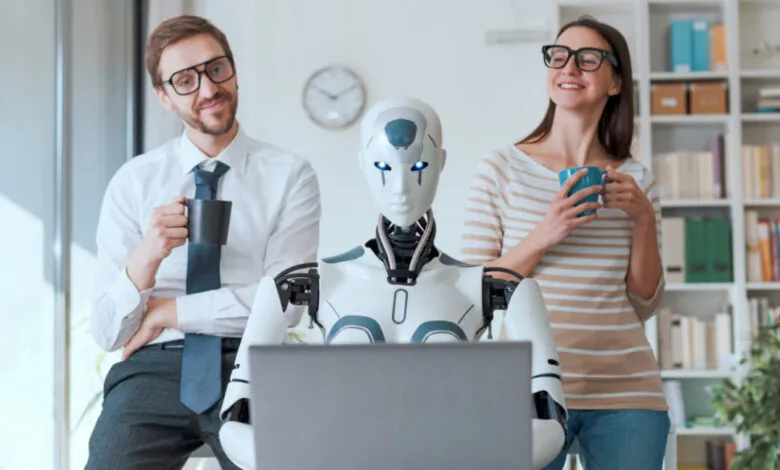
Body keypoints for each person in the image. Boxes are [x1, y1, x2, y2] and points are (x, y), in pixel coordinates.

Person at [217, 96, 567, 470]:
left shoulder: (495, 289)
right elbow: (235, 420)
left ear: (441, 163)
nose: (401, 187)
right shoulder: (302, 284)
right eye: (384, 166)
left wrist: (475, 455)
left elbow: (552, 422)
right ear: (363, 165)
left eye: (418, 165)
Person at [86, 14, 321, 469]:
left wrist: (166, 311)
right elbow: (107, 331)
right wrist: (147, 257)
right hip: (154, 368)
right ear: (164, 97)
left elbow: (287, 303)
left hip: (253, 361)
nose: (208, 89)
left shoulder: (289, 175)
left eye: (216, 69)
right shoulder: (134, 182)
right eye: (185, 80)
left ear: (232, 70)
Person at [460, 16, 669, 470]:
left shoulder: (638, 182)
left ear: (615, 81)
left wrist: (643, 219)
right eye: (559, 56)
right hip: (525, 388)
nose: (569, 67)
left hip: (626, 391)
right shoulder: (501, 169)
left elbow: (645, 302)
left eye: (588, 58)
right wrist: (547, 231)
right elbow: (473, 293)